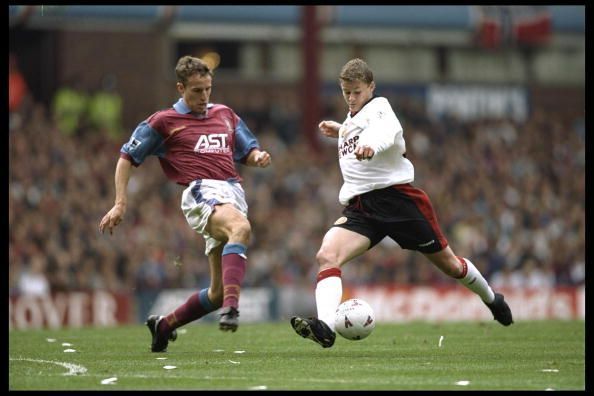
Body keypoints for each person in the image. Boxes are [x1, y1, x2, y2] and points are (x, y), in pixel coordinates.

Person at [290, 58, 512, 348]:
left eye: (357, 91)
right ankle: (326, 327)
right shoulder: (352, 120)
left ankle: (492, 299)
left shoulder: (380, 108)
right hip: (362, 207)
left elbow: (386, 132)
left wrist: (372, 145)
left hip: (398, 201)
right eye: (346, 92)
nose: (351, 97)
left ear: (371, 87)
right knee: (327, 255)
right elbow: (358, 130)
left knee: (450, 265)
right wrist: (340, 130)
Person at [99, 55, 272, 352]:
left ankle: (164, 326)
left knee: (216, 291)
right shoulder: (163, 122)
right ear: (180, 88)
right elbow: (126, 157)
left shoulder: (225, 114)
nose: (204, 97)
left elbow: (248, 150)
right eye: (196, 91)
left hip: (232, 194)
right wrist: (120, 203)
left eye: (207, 89)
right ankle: (232, 308)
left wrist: (258, 157)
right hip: (201, 191)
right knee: (240, 229)